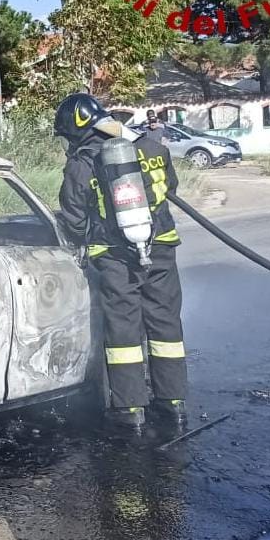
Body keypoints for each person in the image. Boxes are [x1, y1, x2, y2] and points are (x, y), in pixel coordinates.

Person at [55, 93, 187, 432]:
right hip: (161, 247)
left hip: (115, 255)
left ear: (75, 129)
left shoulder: (83, 161)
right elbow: (170, 184)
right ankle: (172, 402)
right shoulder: (148, 147)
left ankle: (130, 409)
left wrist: (85, 237)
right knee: (165, 325)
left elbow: (72, 214)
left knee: (124, 329)